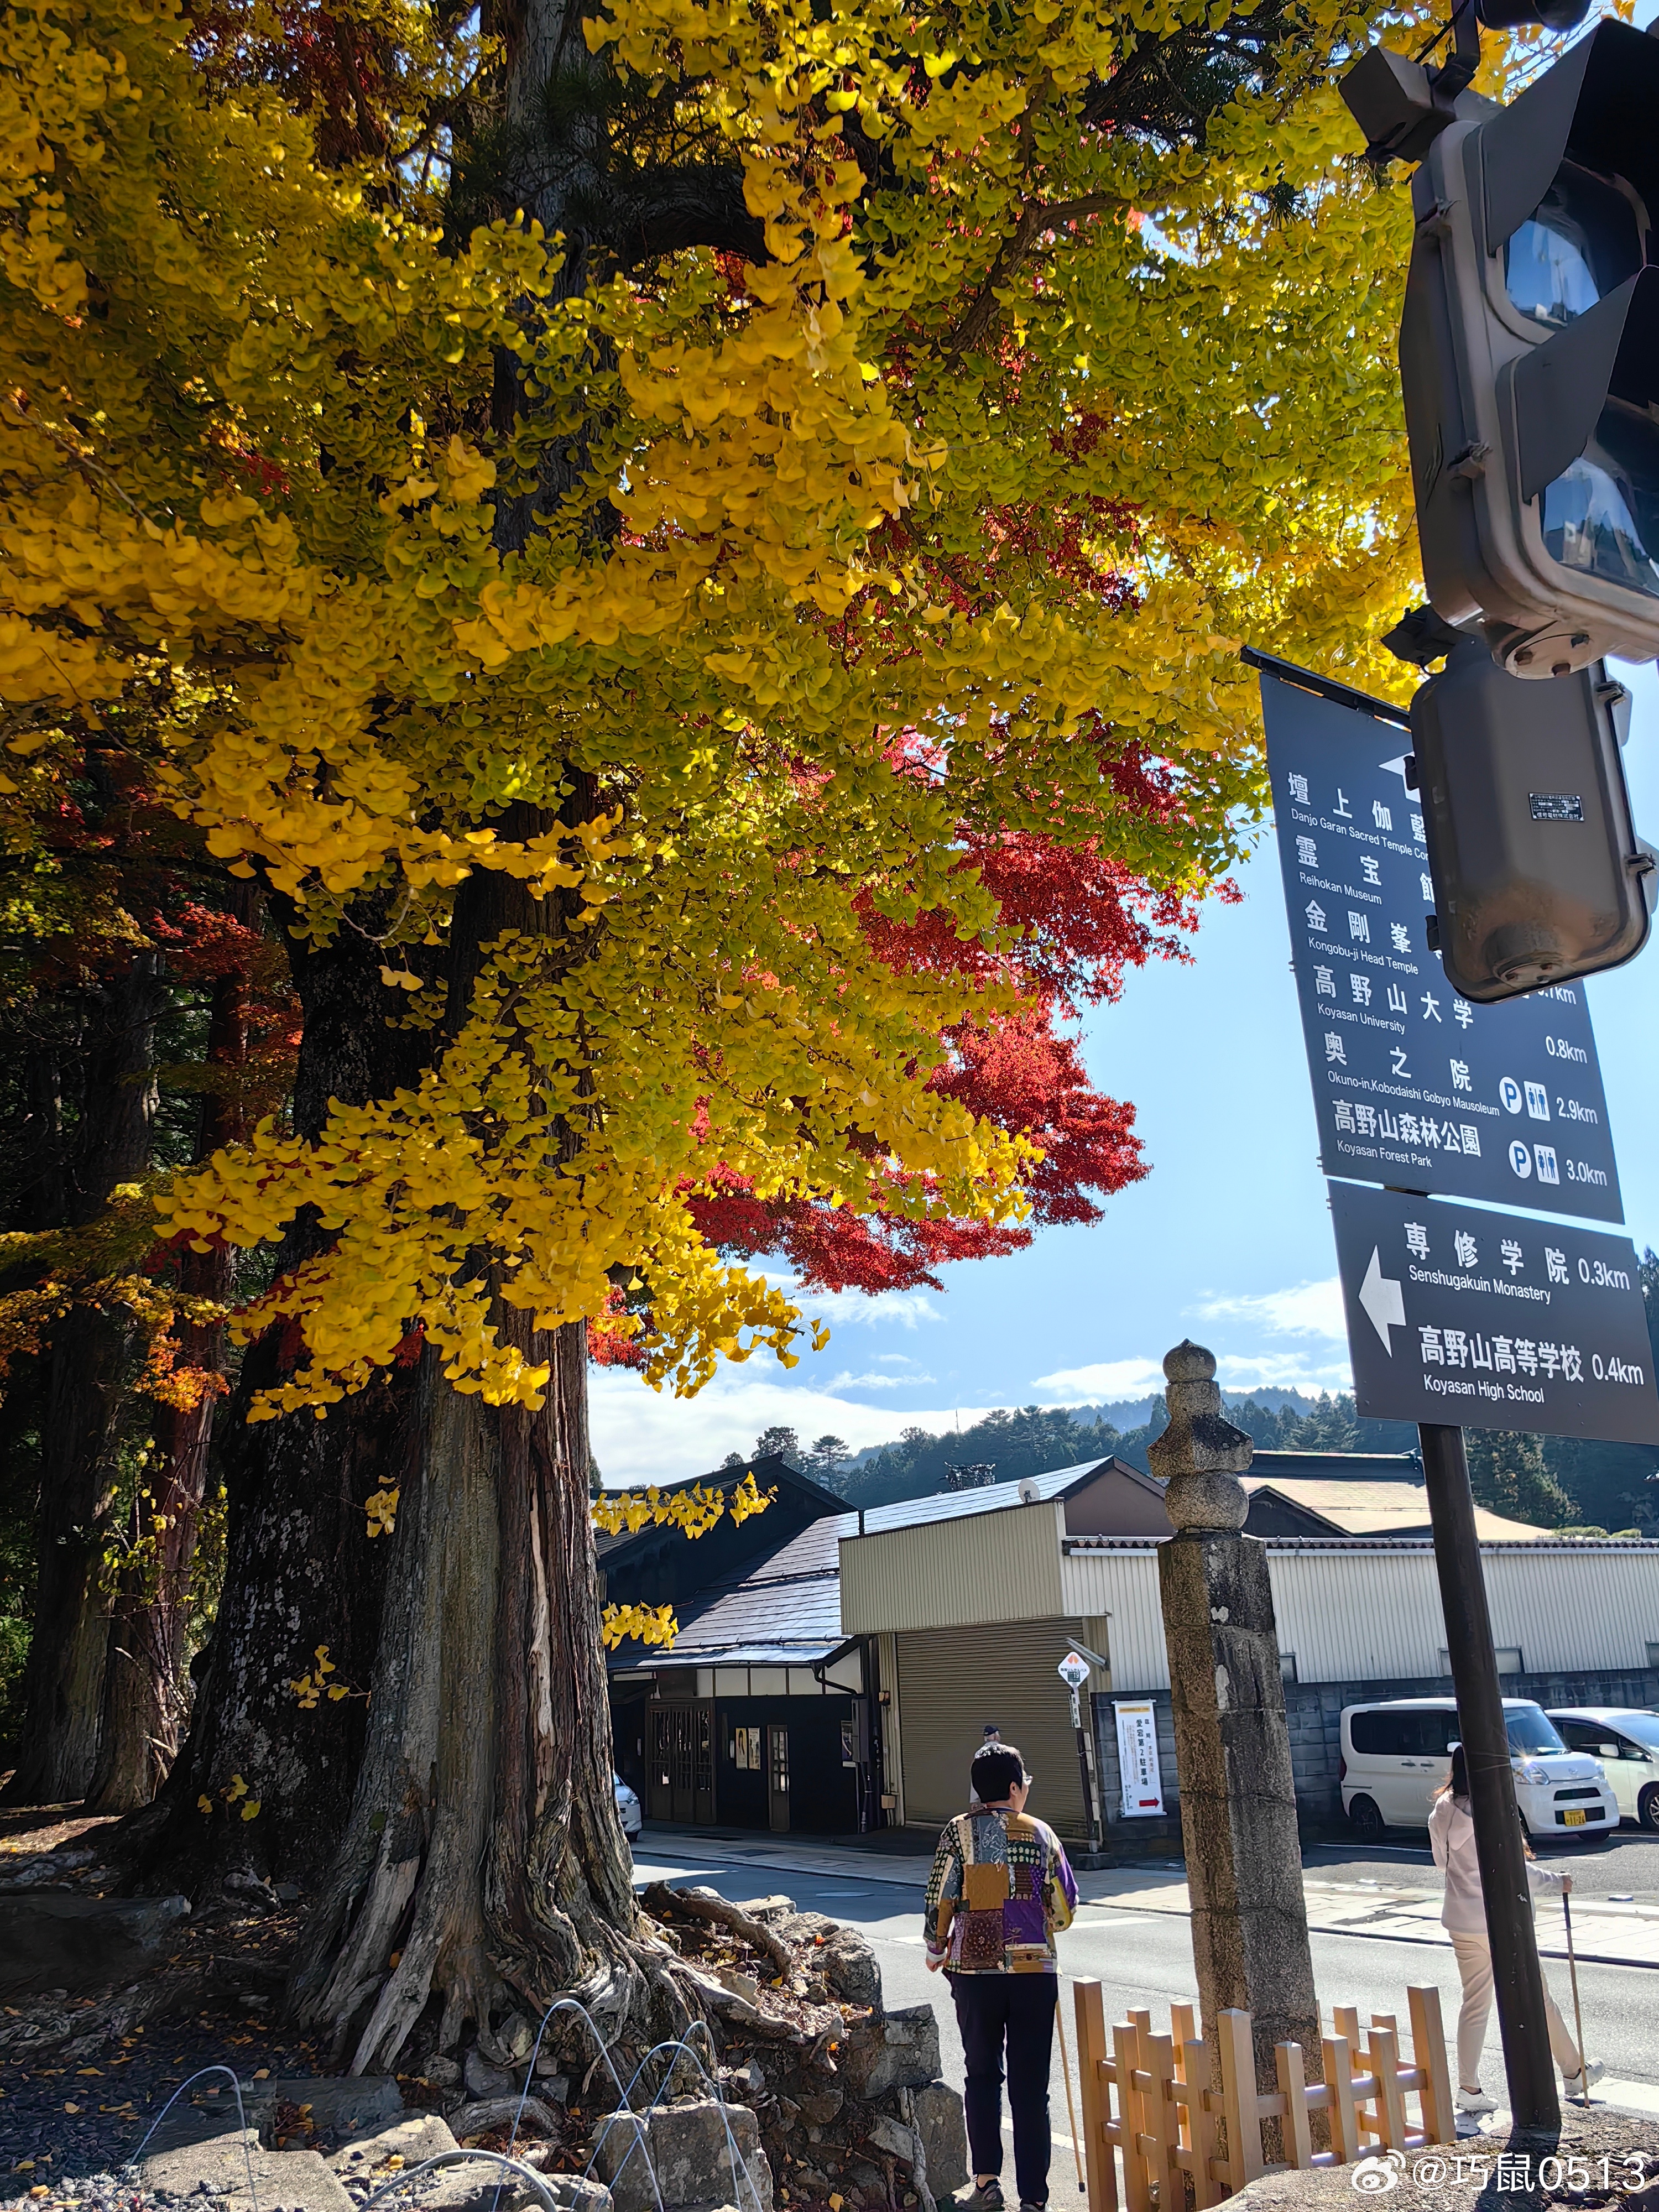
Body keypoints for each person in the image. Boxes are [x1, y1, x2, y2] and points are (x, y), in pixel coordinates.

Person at [923, 1741, 1078, 2212]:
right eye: (1024, 1783)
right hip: (1033, 1974)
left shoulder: (957, 1833)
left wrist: (936, 1946)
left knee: (982, 2074)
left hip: (974, 1972)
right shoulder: (1041, 1834)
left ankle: (988, 2183)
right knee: (1032, 2087)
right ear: (1014, 1788)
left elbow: (940, 1898)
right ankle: (1034, 2199)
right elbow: (1066, 1910)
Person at [1429, 1742, 1604, 2114]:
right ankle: (1574, 2073)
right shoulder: (1490, 1812)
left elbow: (1442, 1865)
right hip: (1501, 1921)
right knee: (1538, 1999)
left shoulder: (1441, 1811)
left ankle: (1469, 2088)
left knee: (1474, 2004)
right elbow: (1516, 1871)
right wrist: (1559, 1882)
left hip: (1461, 1921)